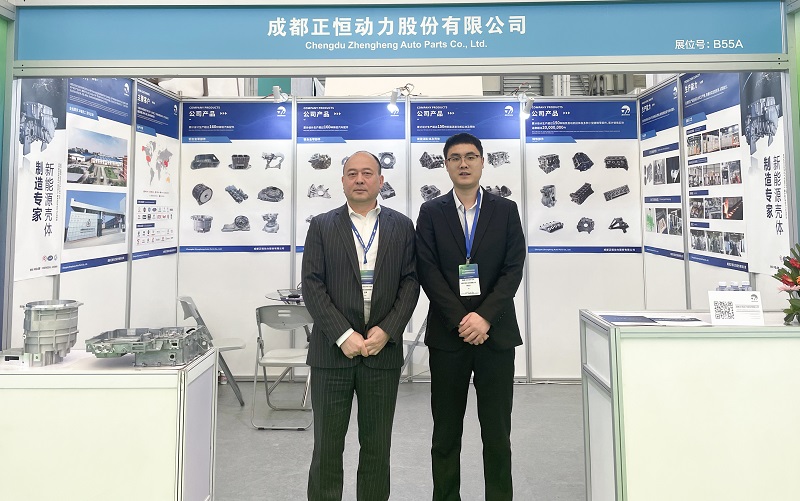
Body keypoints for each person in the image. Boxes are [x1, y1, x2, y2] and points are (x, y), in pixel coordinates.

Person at [302, 151, 420, 501]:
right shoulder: (322, 225)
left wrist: (388, 331)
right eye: (352, 173)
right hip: (331, 354)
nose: (359, 179)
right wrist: (343, 334)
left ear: (380, 181)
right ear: (342, 181)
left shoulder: (402, 226)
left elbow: (411, 282)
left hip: (381, 354)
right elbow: (312, 284)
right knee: (327, 447)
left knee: (377, 448)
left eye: (367, 173)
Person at [415, 133, 526, 500]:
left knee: (497, 435)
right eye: (455, 157)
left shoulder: (505, 210)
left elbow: (513, 268)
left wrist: (484, 318)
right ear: (446, 164)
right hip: (449, 336)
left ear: (482, 161)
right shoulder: (431, 213)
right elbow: (427, 270)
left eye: (470, 156)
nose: (463, 163)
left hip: (496, 335)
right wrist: (463, 320)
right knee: (446, 434)